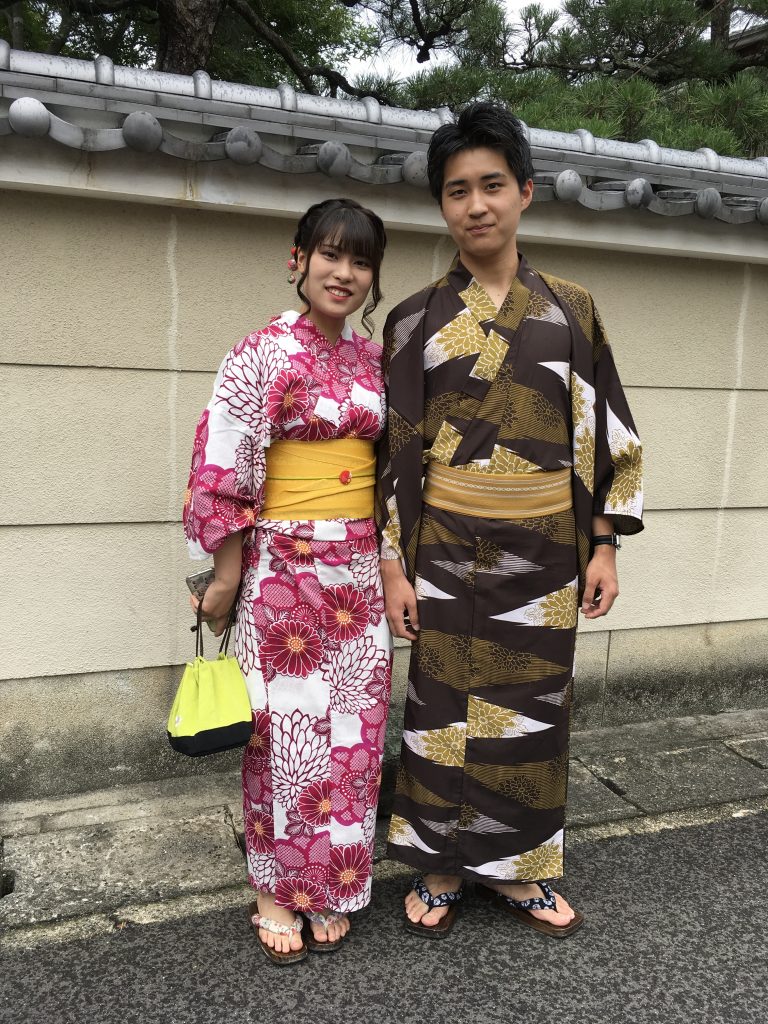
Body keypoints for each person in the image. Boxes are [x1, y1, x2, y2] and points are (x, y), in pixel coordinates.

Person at [376, 102, 643, 939]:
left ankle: (522, 867)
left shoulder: (572, 309)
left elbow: (606, 432)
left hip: (547, 549)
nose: (476, 205)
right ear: (442, 205)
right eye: (457, 190)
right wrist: (392, 565)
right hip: (446, 546)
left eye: (492, 185)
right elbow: (393, 456)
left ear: (525, 191)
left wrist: (603, 545)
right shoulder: (414, 319)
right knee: (441, 707)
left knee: (533, 710)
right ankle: (442, 864)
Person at [183, 198, 391, 965]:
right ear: (296, 259)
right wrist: (227, 576)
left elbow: (390, 473)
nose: (345, 273)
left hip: (358, 572)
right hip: (283, 570)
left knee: (354, 738)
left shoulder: (376, 362)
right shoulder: (258, 355)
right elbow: (225, 465)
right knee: (284, 737)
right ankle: (275, 890)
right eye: (330, 254)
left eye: (361, 261)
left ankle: (331, 885)